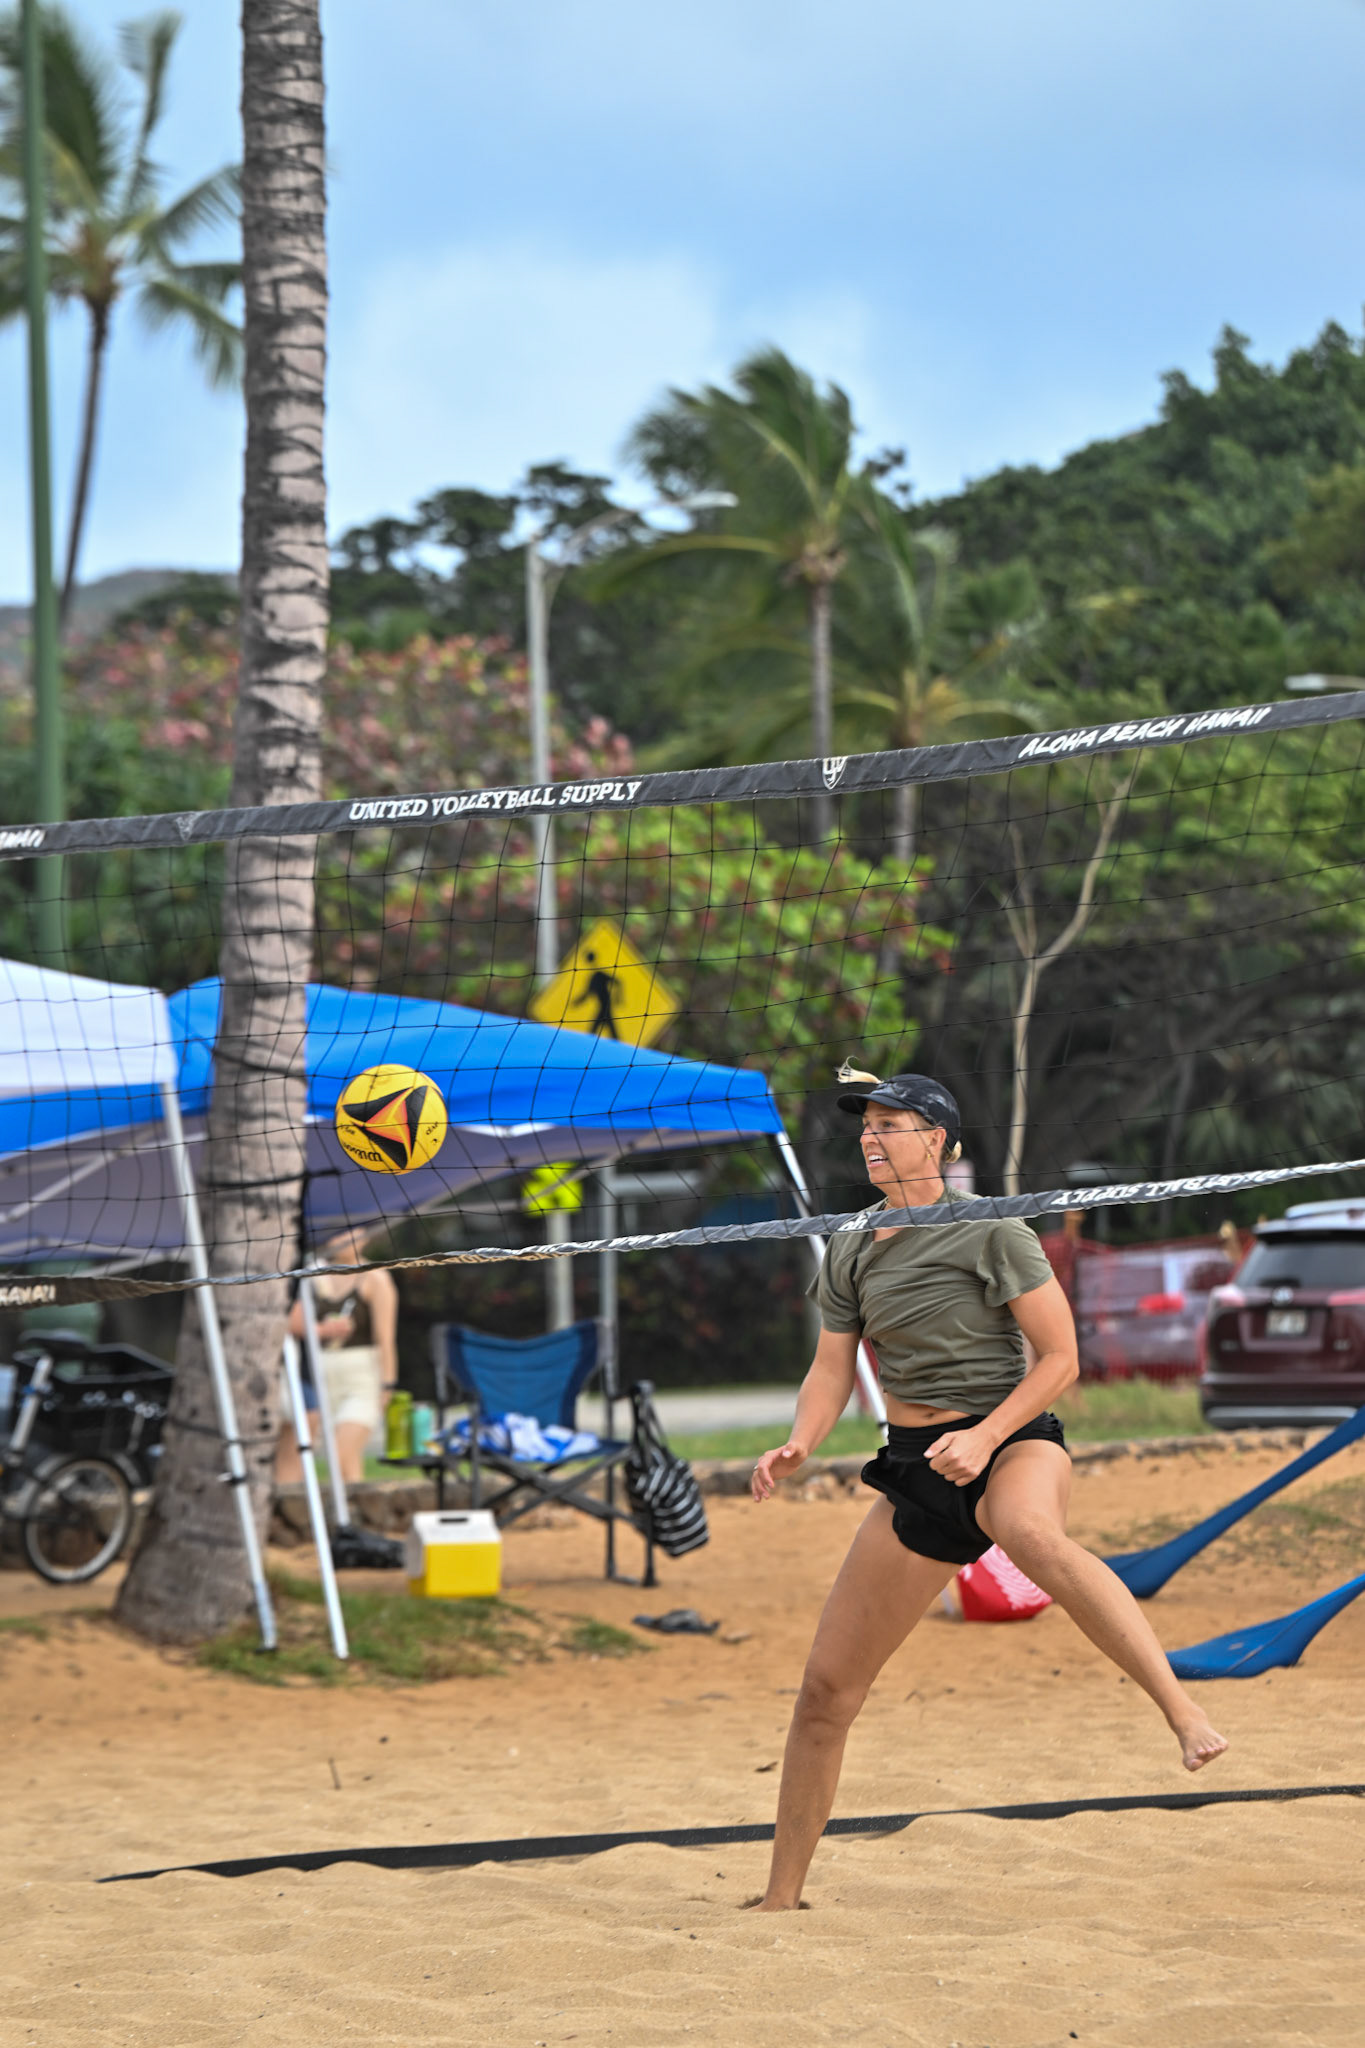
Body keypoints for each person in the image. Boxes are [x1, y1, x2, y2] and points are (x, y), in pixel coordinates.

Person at [749, 1073, 1227, 1912]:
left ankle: (1181, 1713)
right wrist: (800, 1441)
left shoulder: (991, 1229)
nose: (871, 1137)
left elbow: (1060, 1360)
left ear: (936, 1139)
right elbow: (830, 1368)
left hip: (1007, 1442)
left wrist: (983, 1435)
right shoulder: (853, 1244)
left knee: (1030, 1537)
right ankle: (782, 1898)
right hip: (914, 1468)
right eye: (867, 1125)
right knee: (826, 1693)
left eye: (891, 1124)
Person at [275, 1227, 399, 1486]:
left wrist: (387, 1385)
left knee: (340, 1454)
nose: (349, 1239)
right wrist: (323, 1330)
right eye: (342, 1232)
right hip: (318, 1375)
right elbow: (292, 1323)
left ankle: (350, 1516)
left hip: (361, 1377)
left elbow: (385, 1339)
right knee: (345, 1466)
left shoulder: (376, 1279)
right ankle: (354, 1516)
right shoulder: (312, 1277)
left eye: (356, 1232)